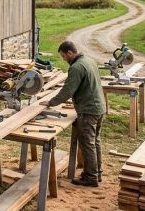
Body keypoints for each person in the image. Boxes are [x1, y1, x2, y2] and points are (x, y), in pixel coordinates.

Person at [40, 41, 105, 187]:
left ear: (70, 52)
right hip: (99, 107)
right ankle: (97, 173)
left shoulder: (76, 67)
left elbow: (68, 91)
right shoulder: (89, 60)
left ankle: (91, 177)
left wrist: (51, 102)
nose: (64, 59)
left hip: (88, 110)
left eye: (64, 56)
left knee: (88, 144)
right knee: (95, 142)